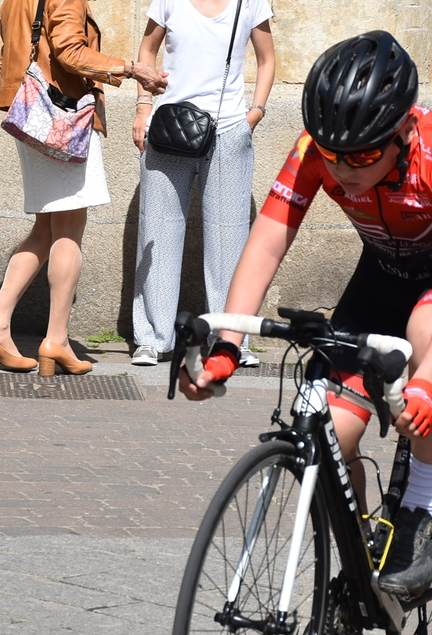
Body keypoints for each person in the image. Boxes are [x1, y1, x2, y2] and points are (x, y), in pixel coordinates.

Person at [180, 31, 432, 597]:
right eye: (331, 154)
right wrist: (228, 346)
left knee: (428, 328)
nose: (341, 169)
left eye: (361, 155)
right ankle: (364, 571)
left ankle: (423, 508)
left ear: (403, 131)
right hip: (385, 275)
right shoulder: (317, 150)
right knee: (332, 434)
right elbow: (266, 244)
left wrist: (428, 382)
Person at [0, 0, 168, 376]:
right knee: (68, 231)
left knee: (45, 230)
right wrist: (131, 68)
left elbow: (12, 51)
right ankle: (56, 341)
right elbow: (69, 51)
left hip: (32, 113)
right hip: (63, 117)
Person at [128, 0, 276, 367]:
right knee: (158, 233)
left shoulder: (251, 2)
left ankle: (230, 339)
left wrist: (253, 115)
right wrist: (143, 106)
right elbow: (147, 48)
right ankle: (153, 338)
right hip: (169, 127)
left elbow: (267, 59)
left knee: (230, 240)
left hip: (228, 131)